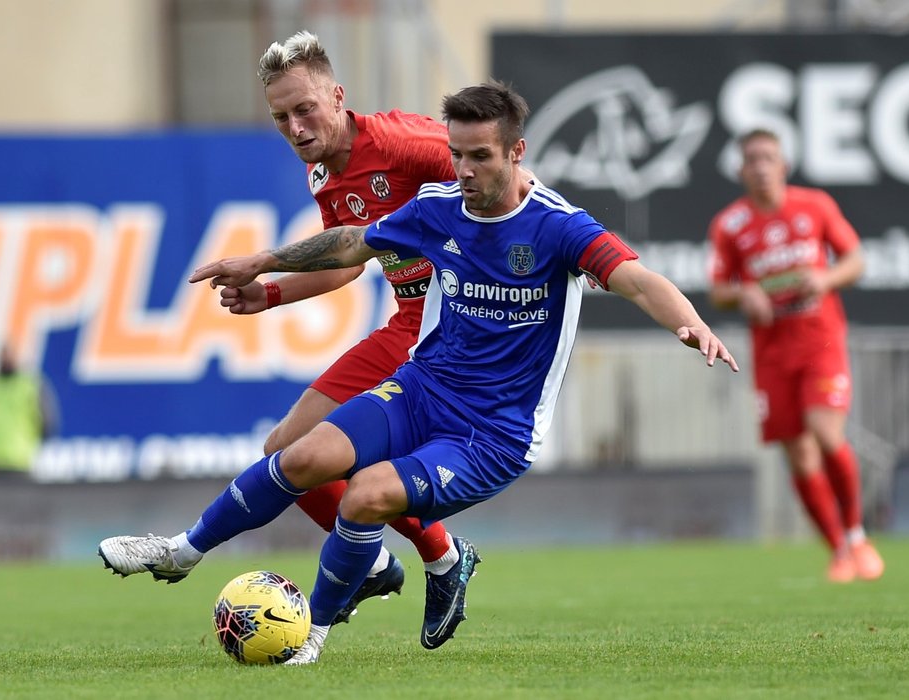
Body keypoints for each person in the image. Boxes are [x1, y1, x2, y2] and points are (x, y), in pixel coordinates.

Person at [119, 81, 737, 665]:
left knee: (365, 496)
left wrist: (689, 323)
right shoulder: (439, 208)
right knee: (301, 457)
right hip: (421, 389)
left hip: (491, 434)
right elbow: (352, 245)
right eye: (456, 154)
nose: (464, 170)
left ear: (517, 152)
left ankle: (315, 634)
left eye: (480, 156)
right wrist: (265, 262)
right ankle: (182, 552)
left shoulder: (558, 227)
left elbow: (636, 278)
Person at [99, 31, 468, 626]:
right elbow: (347, 263)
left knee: (350, 460)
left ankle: (438, 558)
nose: (295, 127)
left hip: (455, 331)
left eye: (305, 109)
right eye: (280, 118)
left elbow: (497, 169)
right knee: (285, 451)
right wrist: (269, 295)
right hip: (407, 323)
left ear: (339, 96)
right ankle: (379, 568)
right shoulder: (325, 174)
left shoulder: (402, 143)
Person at [707, 128, 884, 583]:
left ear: (784, 164)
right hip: (772, 352)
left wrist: (824, 280)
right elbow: (718, 289)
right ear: (741, 170)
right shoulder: (730, 225)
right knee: (800, 456)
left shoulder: (816, 206)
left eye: (768, 157)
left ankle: (858, 535)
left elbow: (855, 259)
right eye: (752, 159)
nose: (761, 166)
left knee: (826, 434)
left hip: (820, 340)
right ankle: (839, 551)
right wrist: (744, 294)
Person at [0, 342, 59, 480]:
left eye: (10, 354)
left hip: (19, 464)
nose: (5, 358)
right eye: (3, 354)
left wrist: (29, 446)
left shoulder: (30, 386)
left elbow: (48, 423)